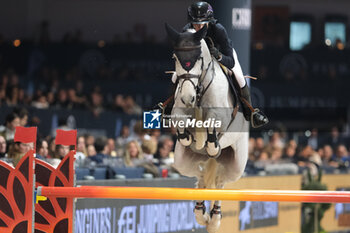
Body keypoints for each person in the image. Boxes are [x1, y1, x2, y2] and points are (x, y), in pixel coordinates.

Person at [182, 1, 268, 128]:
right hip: (198, 60)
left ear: (209, 20)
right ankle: (166, 108)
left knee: (239, 77)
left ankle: (250, 111)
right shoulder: (187, 30)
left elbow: (231, 61)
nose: (198, 28)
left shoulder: (218, 29)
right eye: (195, 24)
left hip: (222, 56)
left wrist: (218, 55)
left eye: (201, 24)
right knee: (176, 76)